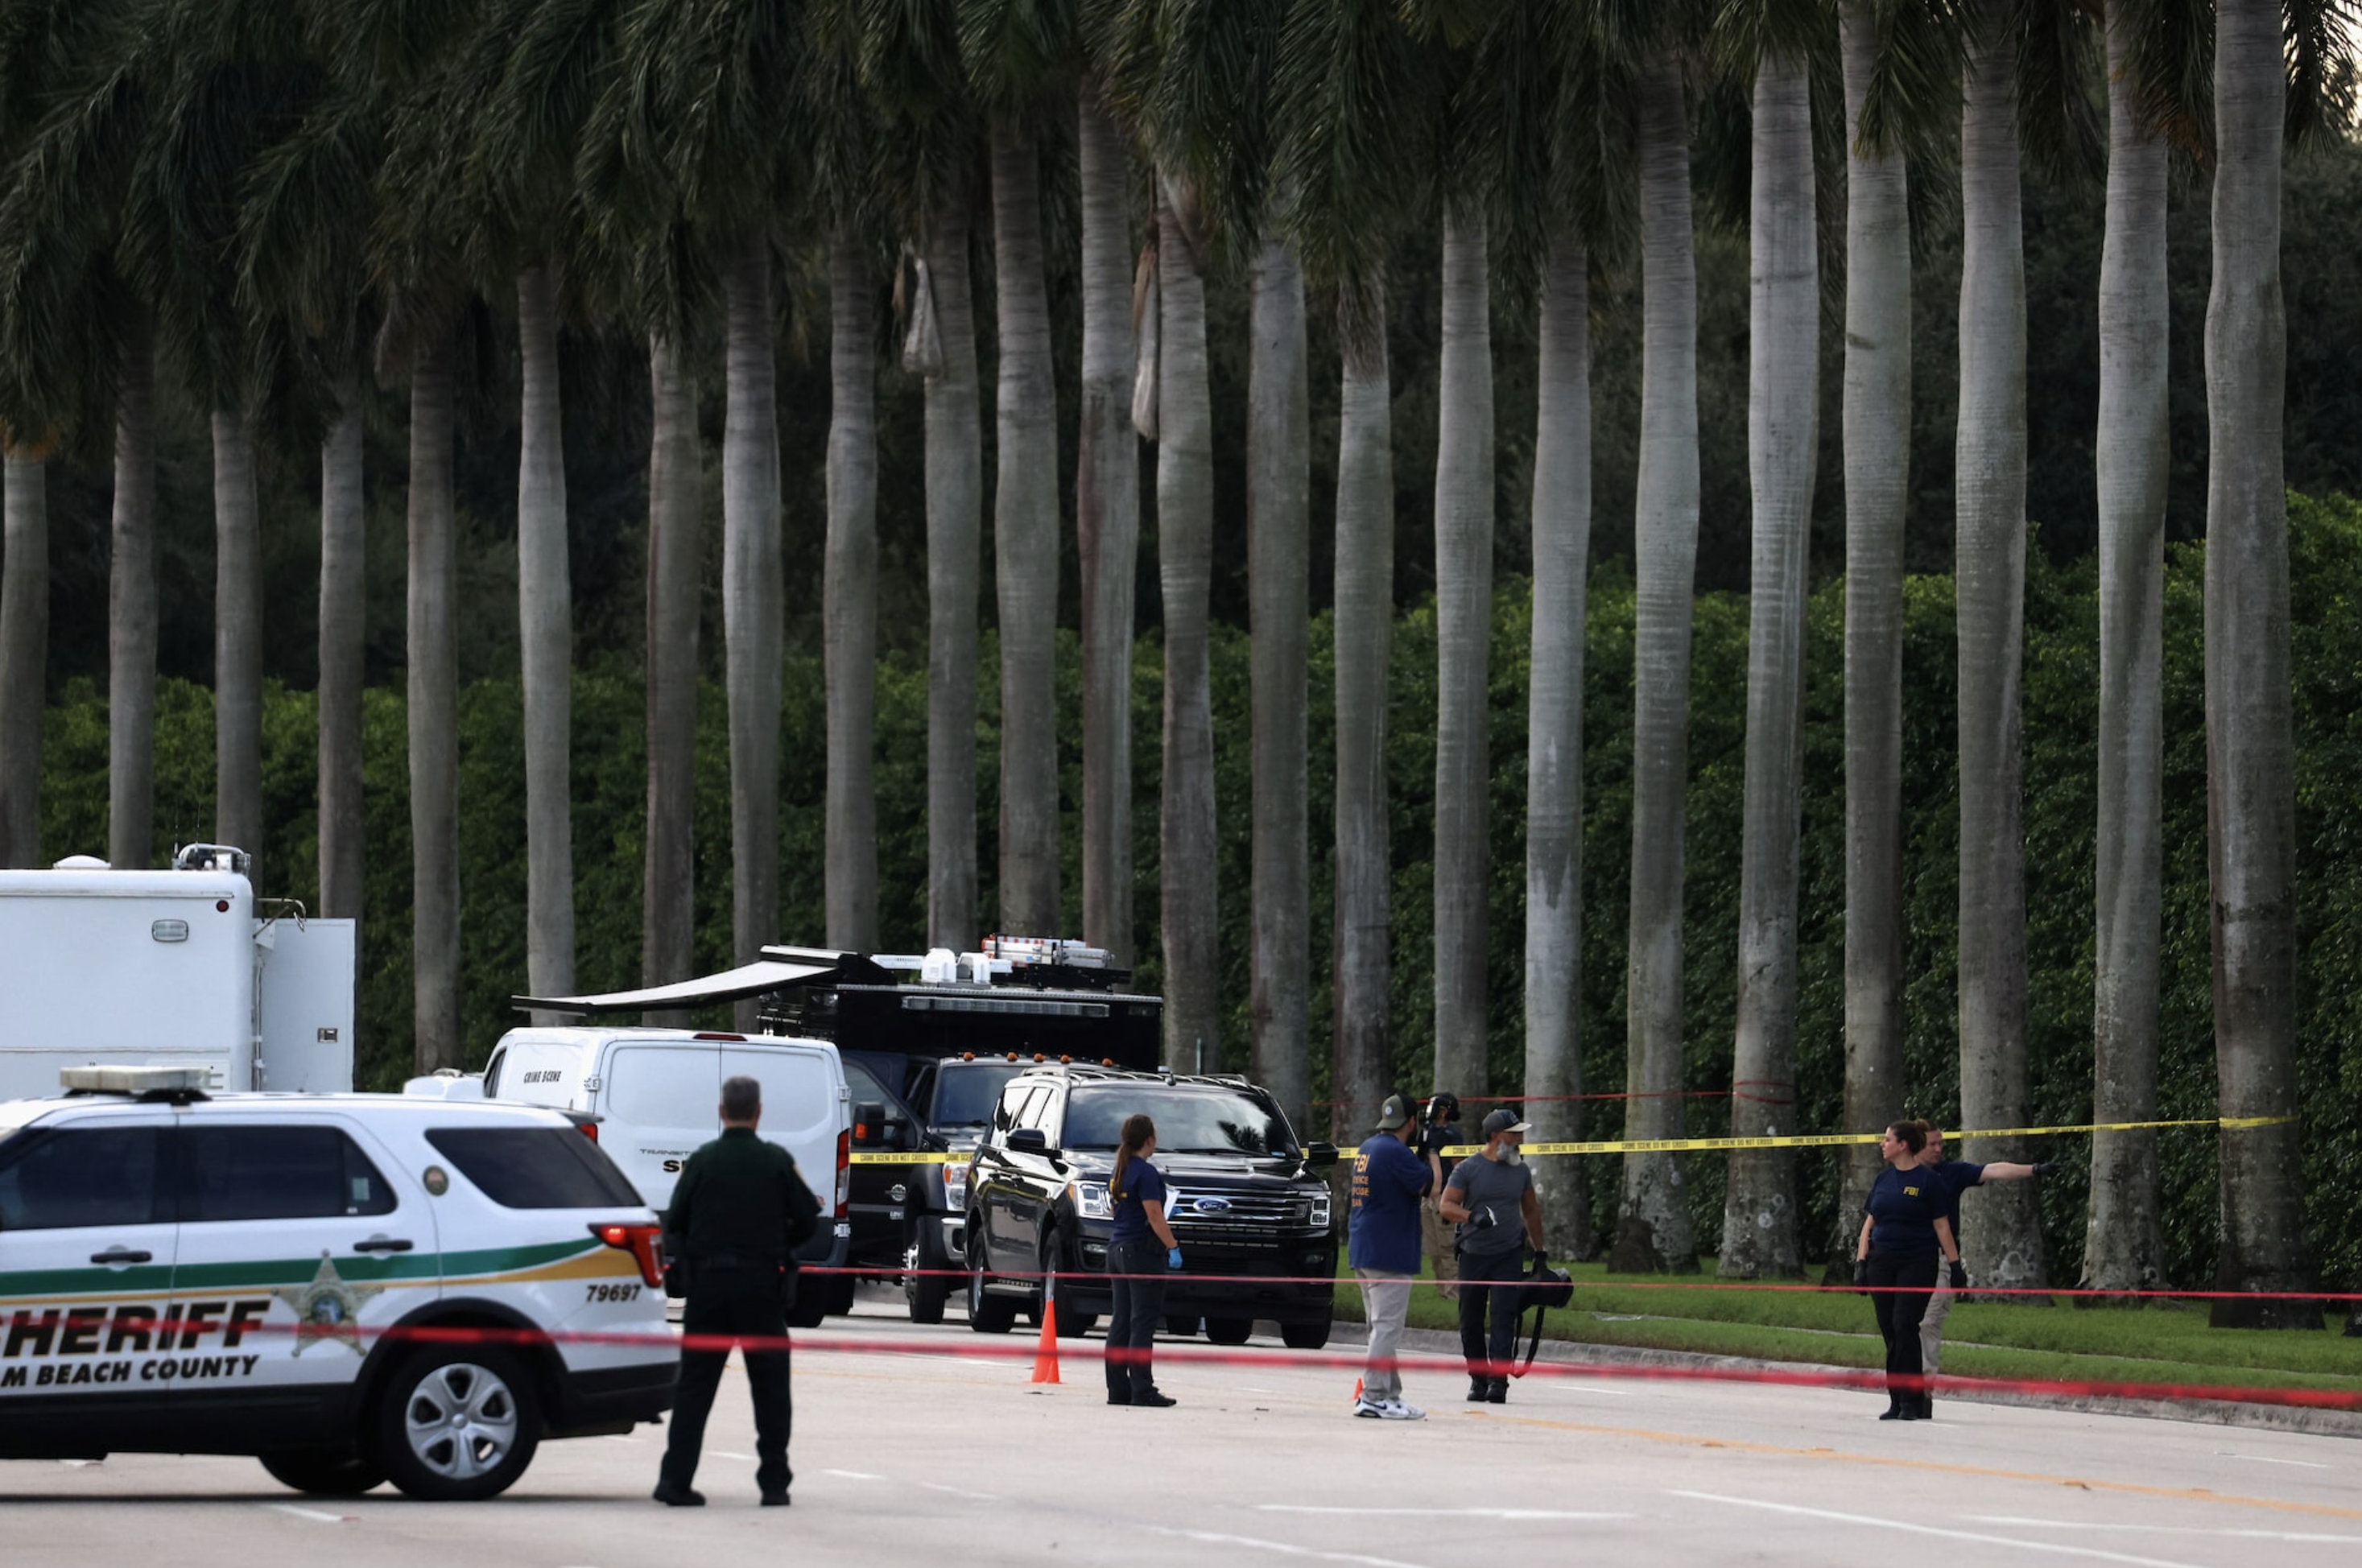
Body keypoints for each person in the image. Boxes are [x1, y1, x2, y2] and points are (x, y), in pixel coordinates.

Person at [655, 1075, 820, 1507]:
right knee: (770, 1388)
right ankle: (774, 1482)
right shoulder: (776, 1161)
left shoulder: (703, 1160)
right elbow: (806, 1219)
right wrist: (778, 1239)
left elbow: (674, 1220)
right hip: (760, 1287)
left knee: (694, 1387)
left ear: (721, 1111)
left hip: (707, 1288)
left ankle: (675, 1479)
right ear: (759, 1112)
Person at [1912, 1120, 2054, 1413]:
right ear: (1914, 1145)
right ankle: (1902, 1390)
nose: (1939, 1149)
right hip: (1902, 1258)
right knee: (1902, 1326)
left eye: (1941, 1143)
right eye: (1932, 1145)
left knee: (1930, 1323)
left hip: (1939, 1259)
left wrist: (2034, 1170)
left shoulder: (1951, 1173)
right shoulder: (1899, 1175)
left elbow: (1993, 1169)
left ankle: (1923, 1392)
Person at [1850, 1120, 1963, 1422]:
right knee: (1889, 1330)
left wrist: (1955, 1265)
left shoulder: (1929, 1181)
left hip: (1917, 1260)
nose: (1882, 1144)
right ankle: (1896, 1400)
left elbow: (1942, 1225)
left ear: (1903, 1145)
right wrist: (1861, 1263)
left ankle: (1914, 1401)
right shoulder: (1882, 1180)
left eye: (1887, 1139)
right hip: (1882, 1261)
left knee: (1904, 1324)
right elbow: (1869, 1225)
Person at [1439, 1108, 1544, 1405]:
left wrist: (1540, 1251)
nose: (1520, 1139)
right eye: (1515, 1134)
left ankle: (1499, 1381)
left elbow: (1531, 1211)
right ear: (1497, 1137)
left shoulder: (1520, 1170)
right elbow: (1446, 1206)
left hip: (1508, 1254)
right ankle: (1478, 1378)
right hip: (1474, 1254)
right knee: (1470, 1319)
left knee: (1504, 1316)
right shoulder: (1468, 1169)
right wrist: (1472, 1217)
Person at [1348, 1091, 1435, 1420]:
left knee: (1379, 1327)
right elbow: (1432, 1187)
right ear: (1412, 1122)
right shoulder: (1396, 1153)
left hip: (1364, 1248)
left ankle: (1389, 1395)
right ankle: (1372, 1396)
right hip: (1389, 1251)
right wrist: (1433, 1151)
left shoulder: (1368, 1147)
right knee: (1386, 1328)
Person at [1104, 1113, 1182, 1408]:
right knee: (1142, 1323)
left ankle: (1117, 1388)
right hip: (1140, 1253)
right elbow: (1154, 1215)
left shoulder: (1120, 1169)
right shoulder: (1146, 1173)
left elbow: (1116, 1211)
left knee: (1121, 1320)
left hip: (1117, 1250)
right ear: (1150, 1139)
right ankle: (1142, 1389)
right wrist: (1172, 1245)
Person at [1415, 1093, 1460, 1300]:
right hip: (1426, 1197)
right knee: (1433, 1250)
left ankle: (1454, 1293)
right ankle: (1443, 1291)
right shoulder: (1425, 1133)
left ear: (1444, 1111)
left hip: (1443, 1195)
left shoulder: (1452, 1135)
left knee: (1447, 1247)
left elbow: (1457, 1166)